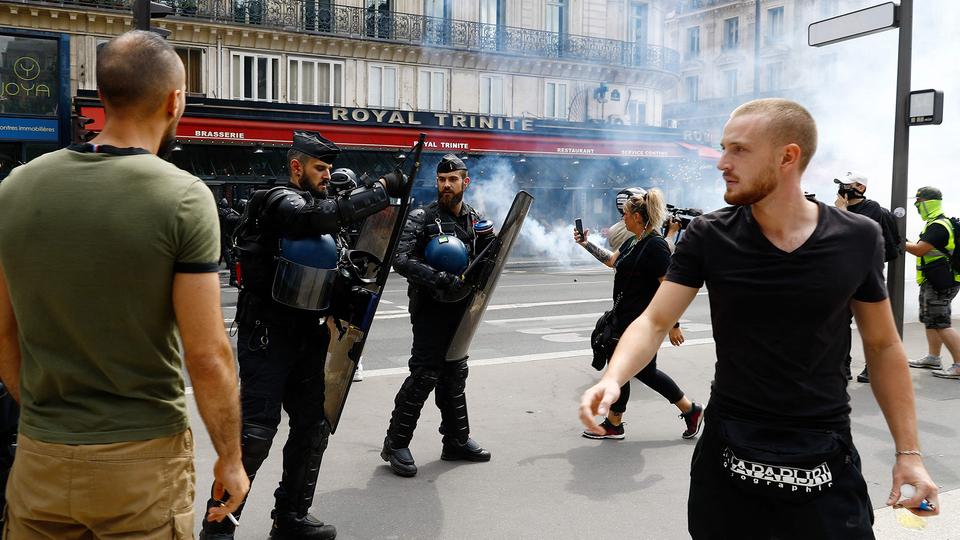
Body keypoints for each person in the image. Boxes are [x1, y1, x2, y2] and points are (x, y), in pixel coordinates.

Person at [580, 98, 939, 539]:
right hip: (729, 448)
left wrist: (909, 453)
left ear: (787, 156)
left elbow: (884, 346)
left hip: (822, 454)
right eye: (723, 148)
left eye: (739, 150)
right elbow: (654, 320)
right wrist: (614, 377)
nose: (722, 163)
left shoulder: (856, 237)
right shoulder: (708, 235)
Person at [0, 30, 248, 538]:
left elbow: (3, 335)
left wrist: (51, 421)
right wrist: (230, 458)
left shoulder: (15, 189)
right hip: (141, 466)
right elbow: (207, 354)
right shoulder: (182, 198)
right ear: (175, 100)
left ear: (103, 95)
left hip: (39, 461)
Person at [199, 130, 406, 540]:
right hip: (267, 335)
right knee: (256, 434)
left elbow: (336, 268)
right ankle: (218, 528)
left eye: (329, 169)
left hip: (309, 336)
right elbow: (311, 218)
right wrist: (380, 190)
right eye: (320, 168)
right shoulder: (276, 200)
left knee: (312, 427)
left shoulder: (321, 210)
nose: (326, 175)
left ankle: (291, 516)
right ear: (297, 167)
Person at [380, 154, 493, 478]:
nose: (446, 185)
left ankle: (456, 440)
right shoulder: (421, 217)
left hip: (461, 309)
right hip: (430, 309)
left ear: (464, 182)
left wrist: (490, 244)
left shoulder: (475, 220)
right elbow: (400, 259)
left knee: (455, 374)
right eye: (442, 180)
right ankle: (395, 442)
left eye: (452, 179)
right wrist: (438, 278)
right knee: (424, 375)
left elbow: (485, 265)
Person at [574, 188, 703, 440]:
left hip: (642, 322)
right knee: (641, 371)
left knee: (623, 368)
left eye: (625, 215)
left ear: (638, 217)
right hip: (624, 318)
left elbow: (669, 286)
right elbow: (612, 261)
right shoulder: (634, 241)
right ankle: (689, 410)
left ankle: (615, 423)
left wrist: (673, 324)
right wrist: (585, 243)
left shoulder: (655, 245)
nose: (622, 219)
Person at [835, 170, 902, 382]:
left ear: (860, 187)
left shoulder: (871, 208)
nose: (843, 189)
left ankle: (874, 368)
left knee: (871, 324)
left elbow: (858, 234)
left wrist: (842, 211)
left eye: (848, 185)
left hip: (866, 274)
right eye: (841, 184)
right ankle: (842, 366)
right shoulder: (837, 210)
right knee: (840, 323)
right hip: (844, 273)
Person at [905, 186, 960, 380]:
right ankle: (933, 357)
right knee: (932, 320)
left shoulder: (938, 226)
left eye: (918, 202)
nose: (916, 206)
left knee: (941, 322)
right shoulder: (936, 224)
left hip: (941, 282)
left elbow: (920, 250)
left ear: (927, 203)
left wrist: (898, 241)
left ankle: (959, 365)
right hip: (936, 280)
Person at [219, 197, 242, 287]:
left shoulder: (223, 213)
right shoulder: (232, 213)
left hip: (224, 234)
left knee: (228, 252)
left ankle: (233, 277)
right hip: (229, 235)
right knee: (228, 251)